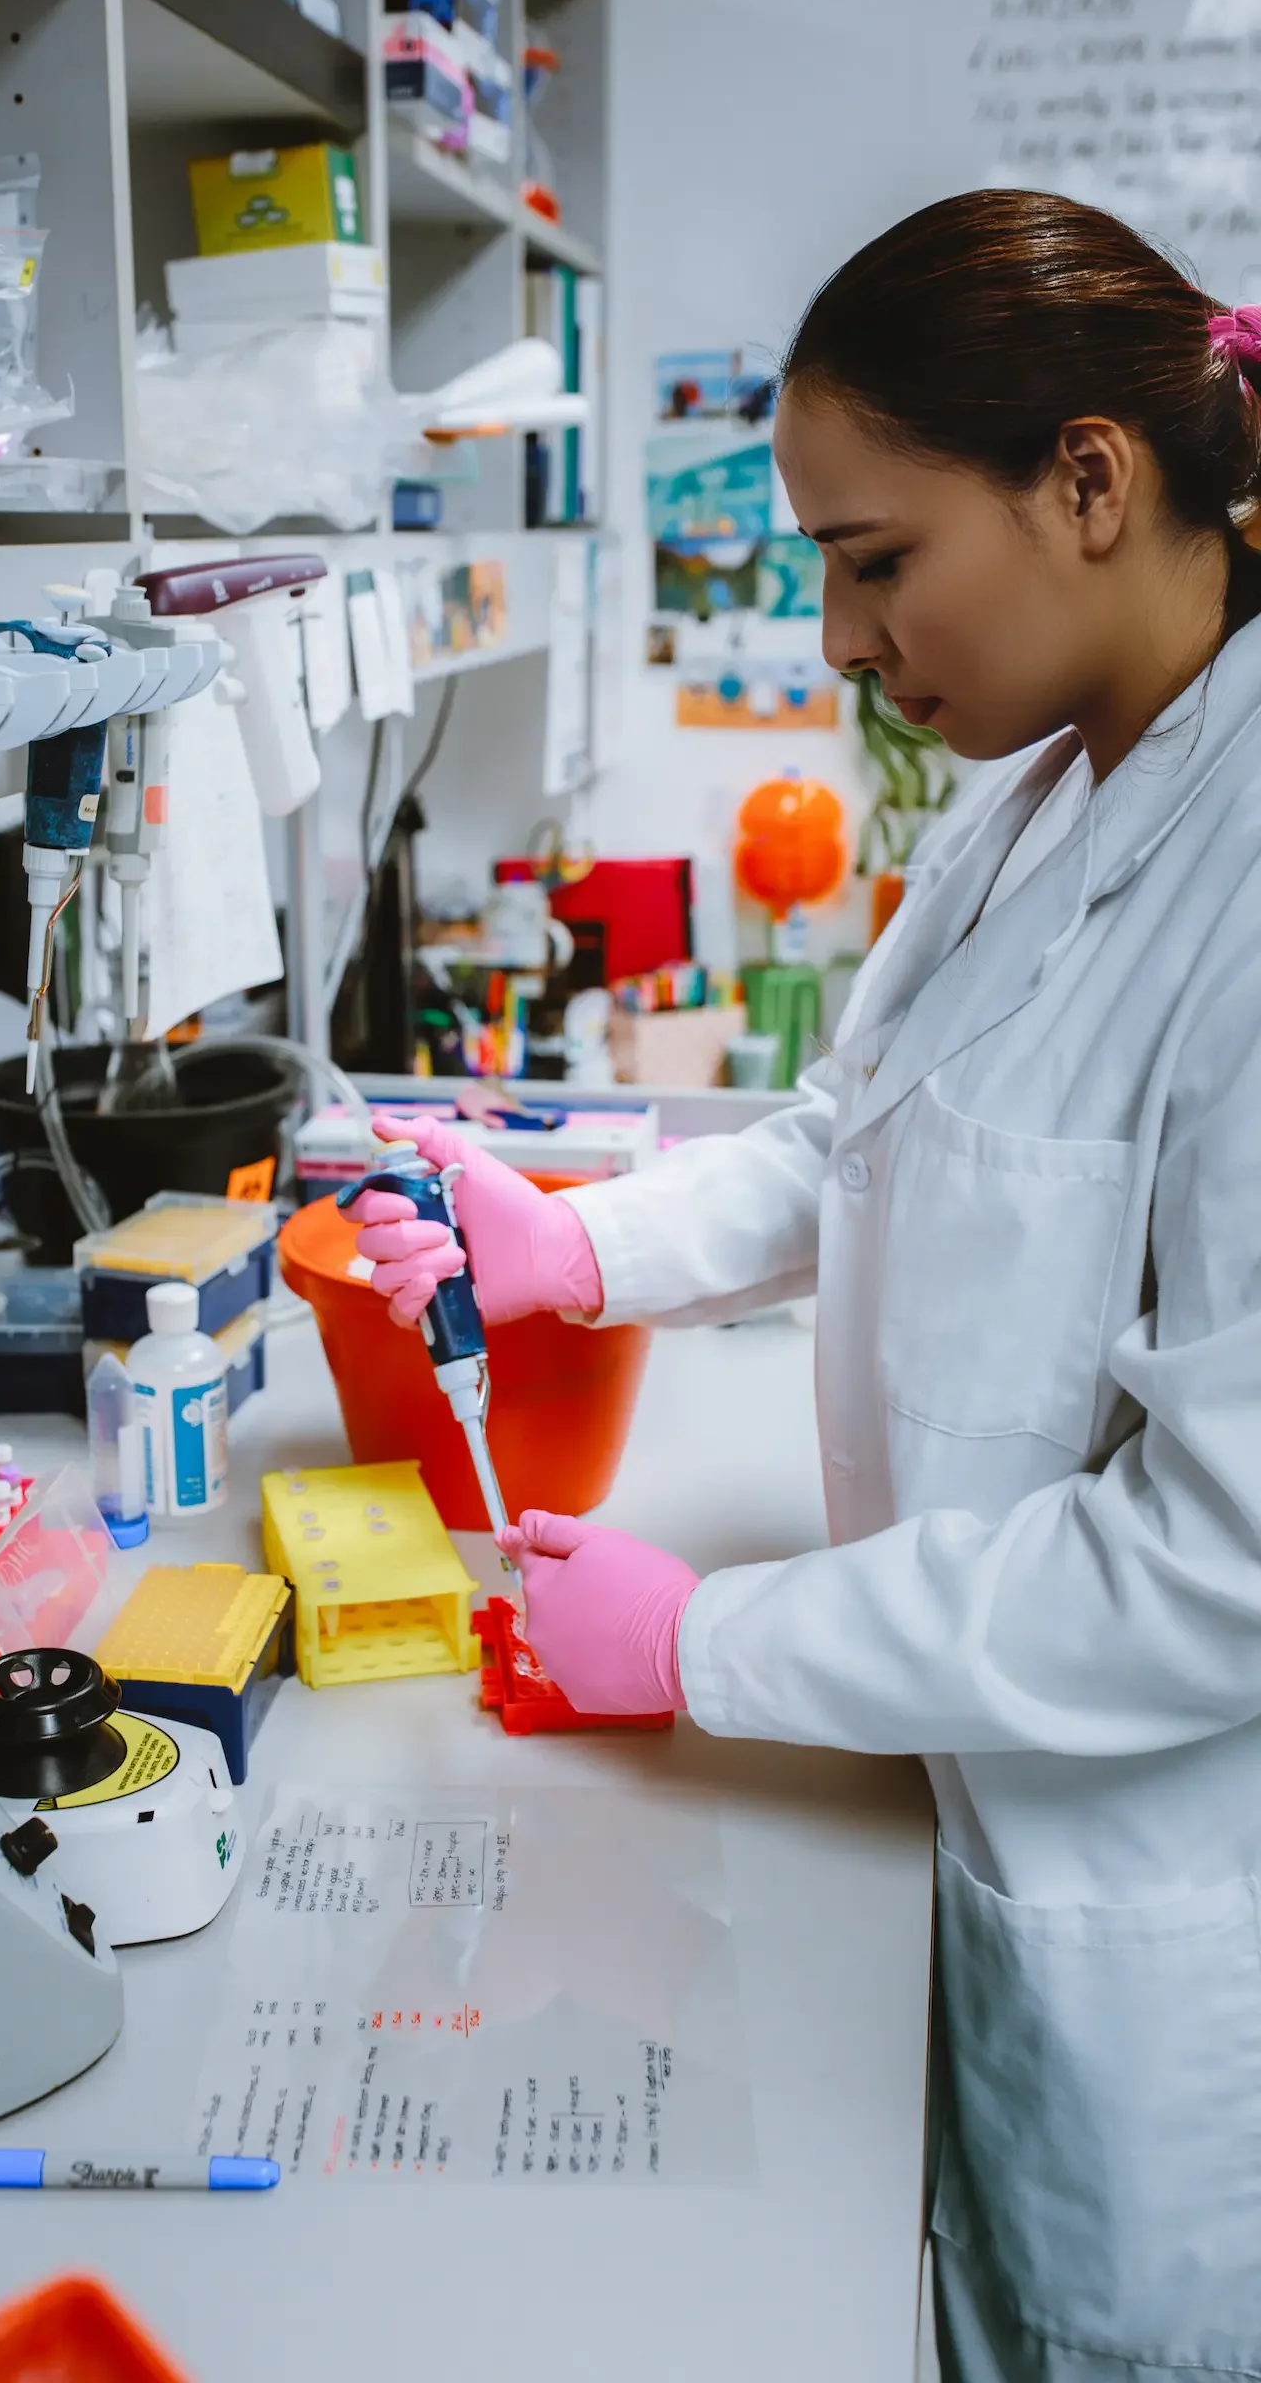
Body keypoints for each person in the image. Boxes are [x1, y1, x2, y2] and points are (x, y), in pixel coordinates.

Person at [345, 188, 1261, 2383]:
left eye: (872, 561)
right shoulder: (1037, 791)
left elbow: (1218, 1561)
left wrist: (699, 1639)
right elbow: (850, 1140)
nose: (841, 641)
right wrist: (575, 1246)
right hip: (950, 1776)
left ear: (1087, 483)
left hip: (1146, 1905)